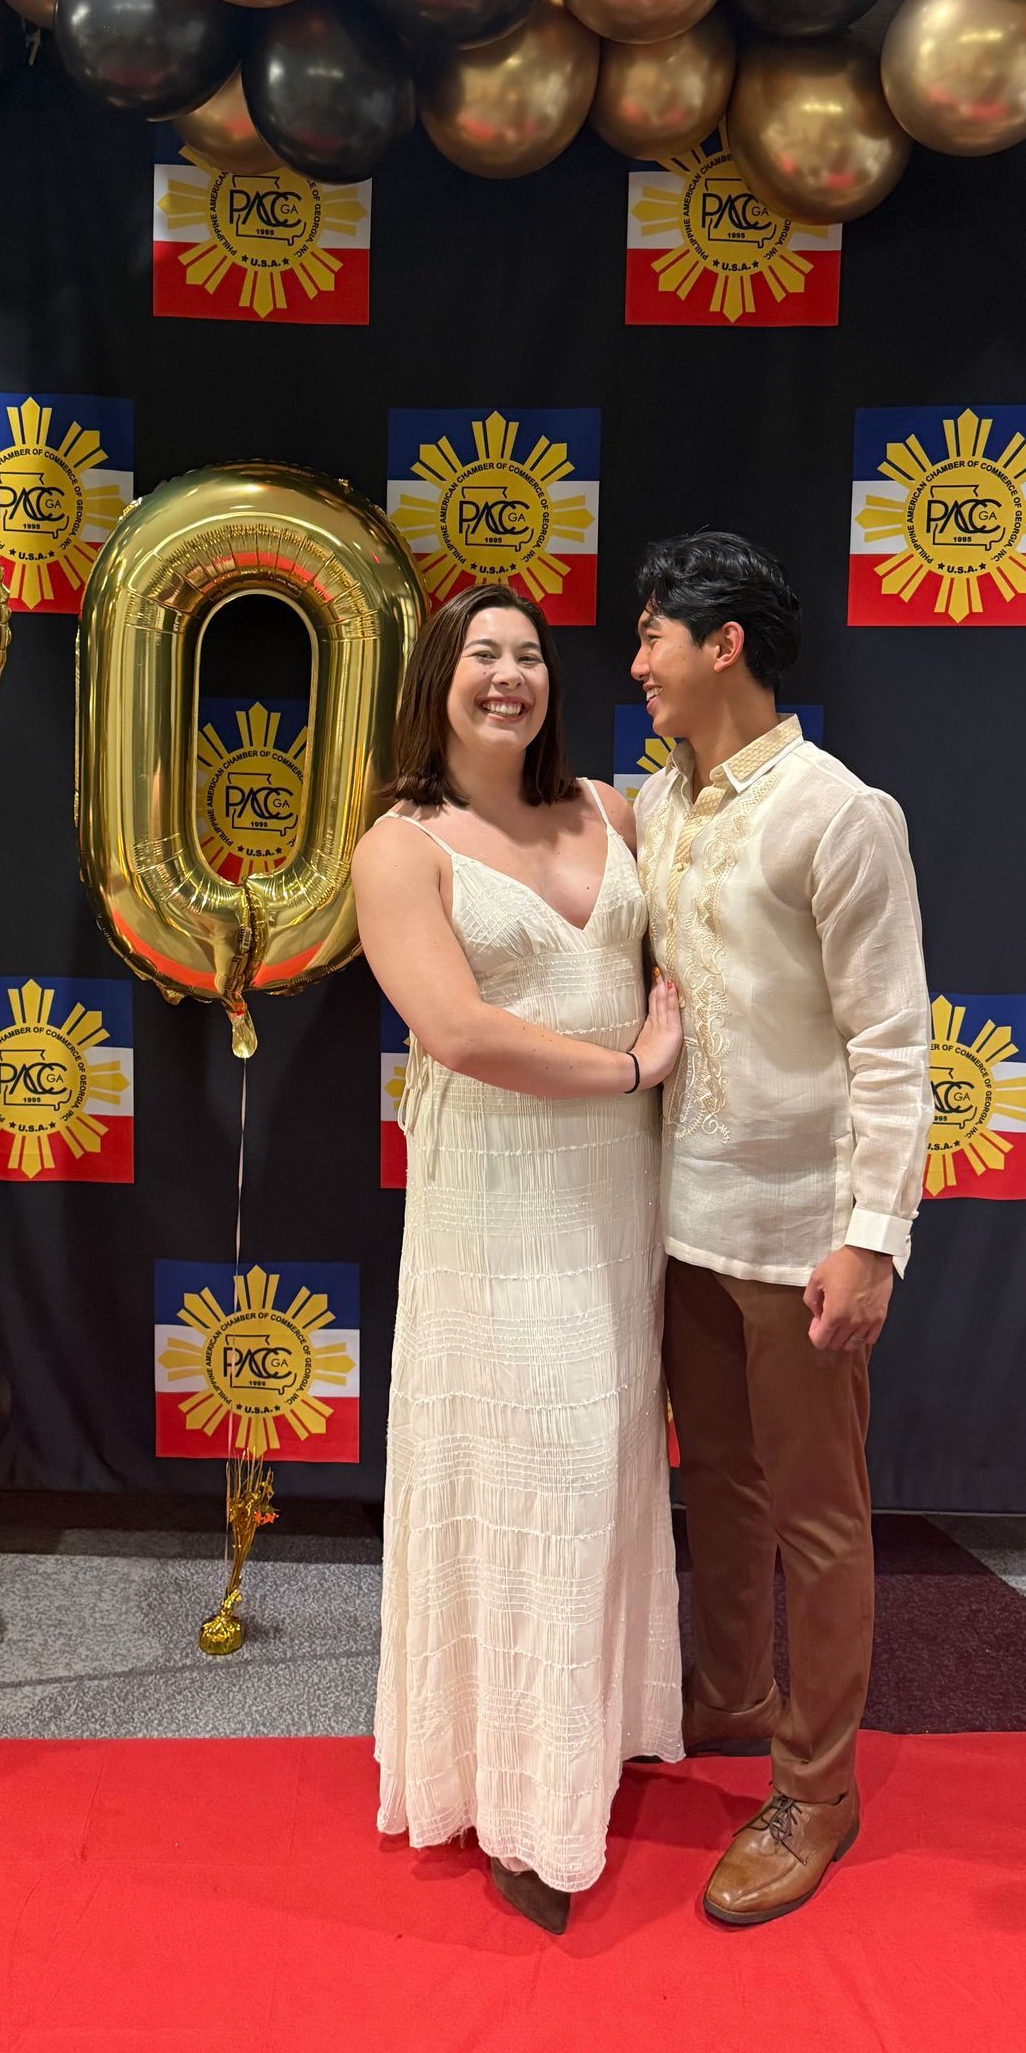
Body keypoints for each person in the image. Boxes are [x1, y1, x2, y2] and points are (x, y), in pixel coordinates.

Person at [354, 581, 684, 1934]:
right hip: (498, 1204)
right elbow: (457, 1031)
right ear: (437, 678)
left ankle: (590, 1741)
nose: (509, 675)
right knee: (522, 1464)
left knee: (603, 1462)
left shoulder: (612, 810)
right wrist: (629, 1065)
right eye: (481, 654)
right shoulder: (401, 846)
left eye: (530, 654)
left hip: (616, 1201)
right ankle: (525, 1805)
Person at [631, 530, 928, 1929]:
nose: (636, 665)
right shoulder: (653, 803)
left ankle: (820, 1788)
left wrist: (871, 1236)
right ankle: (732, 1699)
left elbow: (892, 1045)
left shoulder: (837, 811)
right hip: (681, 1219)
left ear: (724, 644)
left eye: (653, 640)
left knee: (816, 1516)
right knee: (725, 1494)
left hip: (803, 1231)